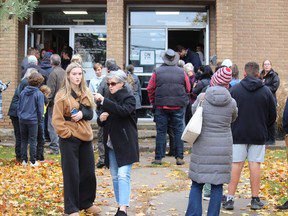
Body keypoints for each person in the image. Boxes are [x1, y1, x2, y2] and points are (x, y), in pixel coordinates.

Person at [223, 62, 277, 211]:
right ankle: (255, 199)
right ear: (258, 74)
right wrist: (264, 126)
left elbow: (228, 112)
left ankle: (229, 199)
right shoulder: (266, 91)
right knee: (255, 164)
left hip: (238, 133)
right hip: (258, 133)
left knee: (236, 164)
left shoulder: (234, 90)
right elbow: (272, 115)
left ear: (245, 73)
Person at [52, 62, 100, 216]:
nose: (77, 77)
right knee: (71, 173)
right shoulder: (61, 95)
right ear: (68, 76)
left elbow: (90, 113)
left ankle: (86, 203)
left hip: (85, 137)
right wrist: (67, 134)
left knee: (88, 173)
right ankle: (71, 208)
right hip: (69, 138)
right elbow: (57, 120)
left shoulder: (85, 92)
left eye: (80, 74)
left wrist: (82, 114)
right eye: (74, 74)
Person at [94, 70, 139, 216]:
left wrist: (105, 102)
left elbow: (123, 111)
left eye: (113, 83)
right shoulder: (107, 97)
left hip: (125, 142)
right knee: (114, 176)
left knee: (122, 175)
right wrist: (101, 118)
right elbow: (100, 121)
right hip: (110, 143)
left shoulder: (129, 98)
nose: (110, 86)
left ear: (121, 83)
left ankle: (123, 209)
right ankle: (121, 204)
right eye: (108, 84)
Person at [147, 49, 191, 165]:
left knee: (161, 132)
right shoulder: (182, 72)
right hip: (178, 106)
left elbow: (150, 88)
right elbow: (188, 88)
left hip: (161, 106)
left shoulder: (157, 72)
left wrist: (153, 101)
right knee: (178, 131)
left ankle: (158, 158)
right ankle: (179, 157)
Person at [95, 59, 121, 168]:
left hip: (105, 112)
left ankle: (103, 158)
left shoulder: (105, 80)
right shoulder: (122, 79)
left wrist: (99, 110)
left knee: (102, 137)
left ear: (107, 69)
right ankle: (117, 158)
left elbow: (98, 97)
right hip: (118, 112)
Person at [8, 69, 38, 162]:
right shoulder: (26, 83)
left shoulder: (24, 82)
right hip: (17, 113)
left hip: (17, 112)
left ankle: (20, 157)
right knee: (20, 136)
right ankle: (20, 157)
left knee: (20, 136)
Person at [18, 73, 45, 167]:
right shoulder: (39, 94)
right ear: (39, 83)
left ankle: (24, 160)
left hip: (22, 119)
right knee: (33, 140)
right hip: (33, 120)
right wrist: (39, 120)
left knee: (24, 140)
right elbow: (40, 110)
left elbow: (19, 106)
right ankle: (33, 161)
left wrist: (20, 116)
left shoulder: (22, 92)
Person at [46, 54, 66, 155]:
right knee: (62, 124)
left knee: (52, 125)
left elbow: (50, 91)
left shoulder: (53, 73)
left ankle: (55, 148)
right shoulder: (64, 72)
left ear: (51, 62)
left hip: (54, 104)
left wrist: (46, 103)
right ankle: (61, 146)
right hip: (64, 102)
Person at [260, 59, 280, 145]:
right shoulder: (260, 75)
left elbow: (274, 87)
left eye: (268, 64)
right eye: (265, 64)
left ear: (271, 65)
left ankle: (272, 139)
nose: (266, 66)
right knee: (263, 120)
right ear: (263, 66)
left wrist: (263, 87)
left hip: (271, 100)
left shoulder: (274, 76)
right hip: (262, 101)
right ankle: (266, 138)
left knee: (271, 120)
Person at [38, 85, 51, 161]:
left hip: (41, 118)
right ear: (45, 93)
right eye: (48, 94)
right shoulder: (43, 98)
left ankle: (39, 156)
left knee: (40, 138)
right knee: (41, 138)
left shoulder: (40, 97)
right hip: (41, 119)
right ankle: (40, 156)